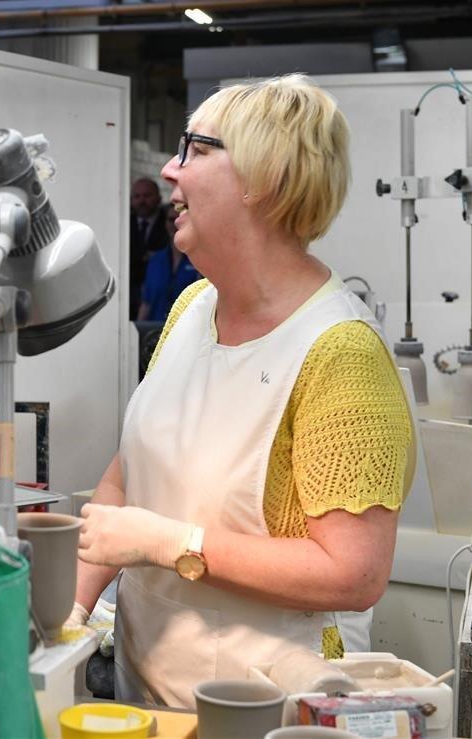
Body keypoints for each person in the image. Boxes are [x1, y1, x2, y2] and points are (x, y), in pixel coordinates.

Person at [68, 74, 414, 708]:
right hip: (146, 695)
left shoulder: (340, 354)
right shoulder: (193, 307)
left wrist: (173, 543)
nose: (171, 171)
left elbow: (354, 572)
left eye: (196, 149)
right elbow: (130, 474)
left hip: (269, 703)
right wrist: (72, 607)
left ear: (267, 179)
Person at [136, 206, 200, 323]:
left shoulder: (198, 259)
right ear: (165, 223)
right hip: (155, 332)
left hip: (187, 330)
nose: (175, 223)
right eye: (171, 219)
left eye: (179, 218)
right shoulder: (155, 260)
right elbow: (146, 303)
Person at [128, 177, 169, 320]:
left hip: (161, 294)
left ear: (158, 198)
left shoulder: (169, 221)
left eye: (147, 195)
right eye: (137, 196)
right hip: (129, 295)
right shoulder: (124, 224)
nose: (142, 201)